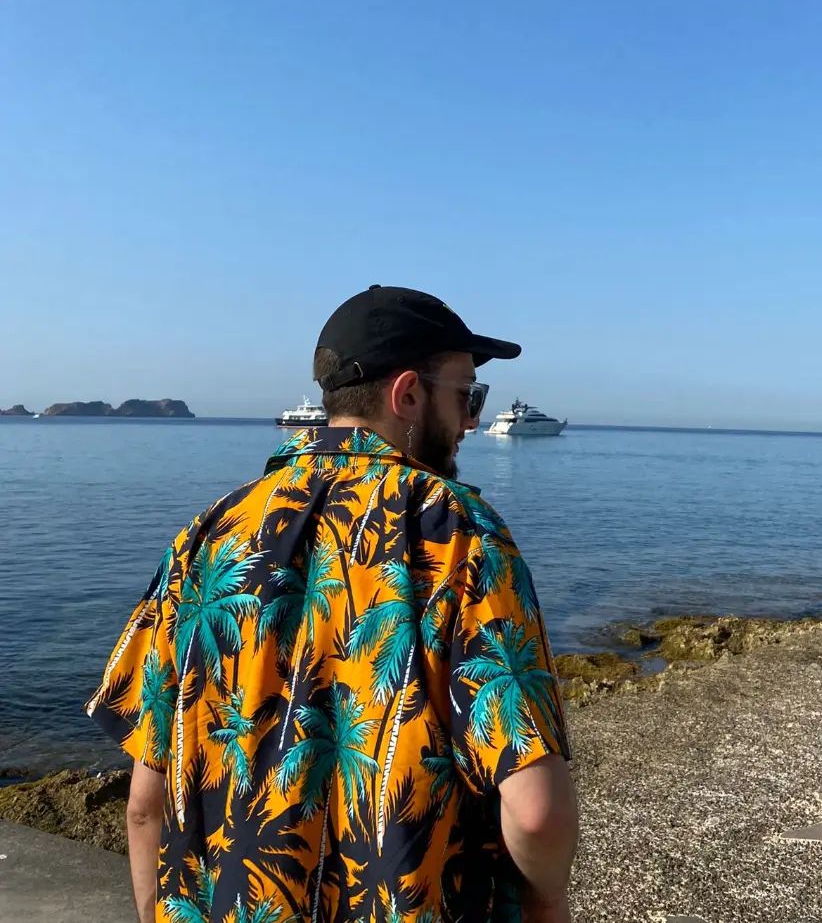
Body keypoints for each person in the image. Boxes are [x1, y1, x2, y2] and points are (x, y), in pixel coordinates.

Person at [88, 286, 577, 923]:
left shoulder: (209, 532)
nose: (470, 422)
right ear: (407, 395)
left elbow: (145, 802)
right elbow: (536, 814)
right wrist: (548, 903)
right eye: (467, 395)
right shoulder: (457, 535)